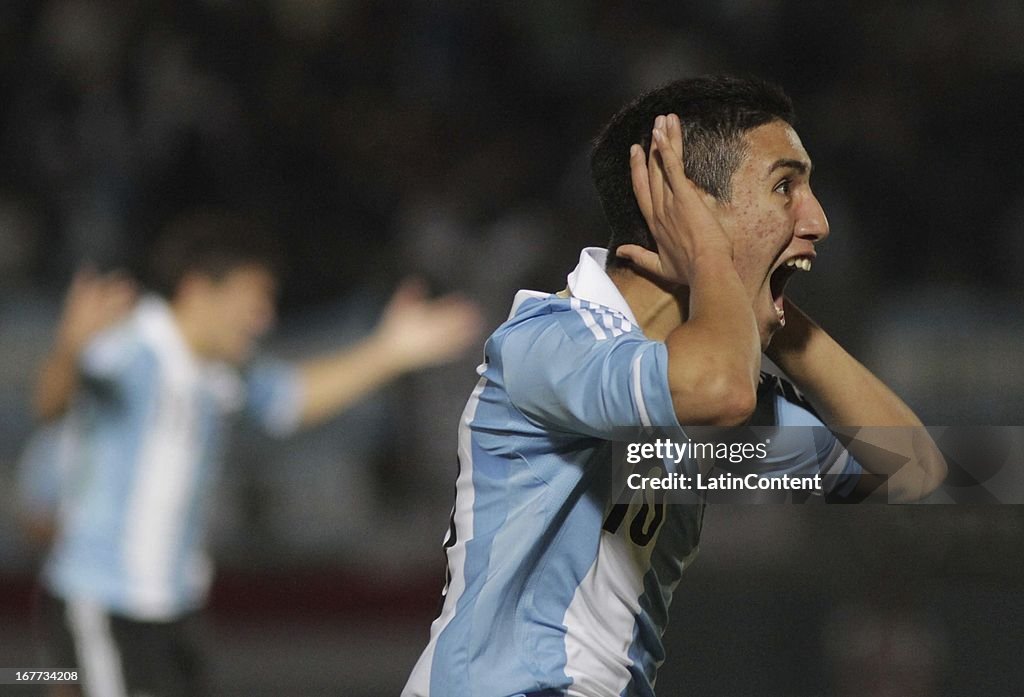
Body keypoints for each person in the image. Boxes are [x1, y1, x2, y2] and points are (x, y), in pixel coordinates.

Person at [401, 76, 946, 696]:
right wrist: (714, 261)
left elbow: (912, 470)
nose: (817, 220)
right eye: (785, 186)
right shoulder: (548, 343)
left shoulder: (706, 390)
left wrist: (780, 321)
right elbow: (717, 389)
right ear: (687, 208)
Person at [18, 209, 482, 697]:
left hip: (171, 606)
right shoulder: (135, 346)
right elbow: (50, 405)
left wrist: (389, 351)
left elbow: (294, 398)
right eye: (253, 298)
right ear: (199, 289)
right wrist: (68, 350)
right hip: (103, 601)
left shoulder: (222, 372)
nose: (264, 318)